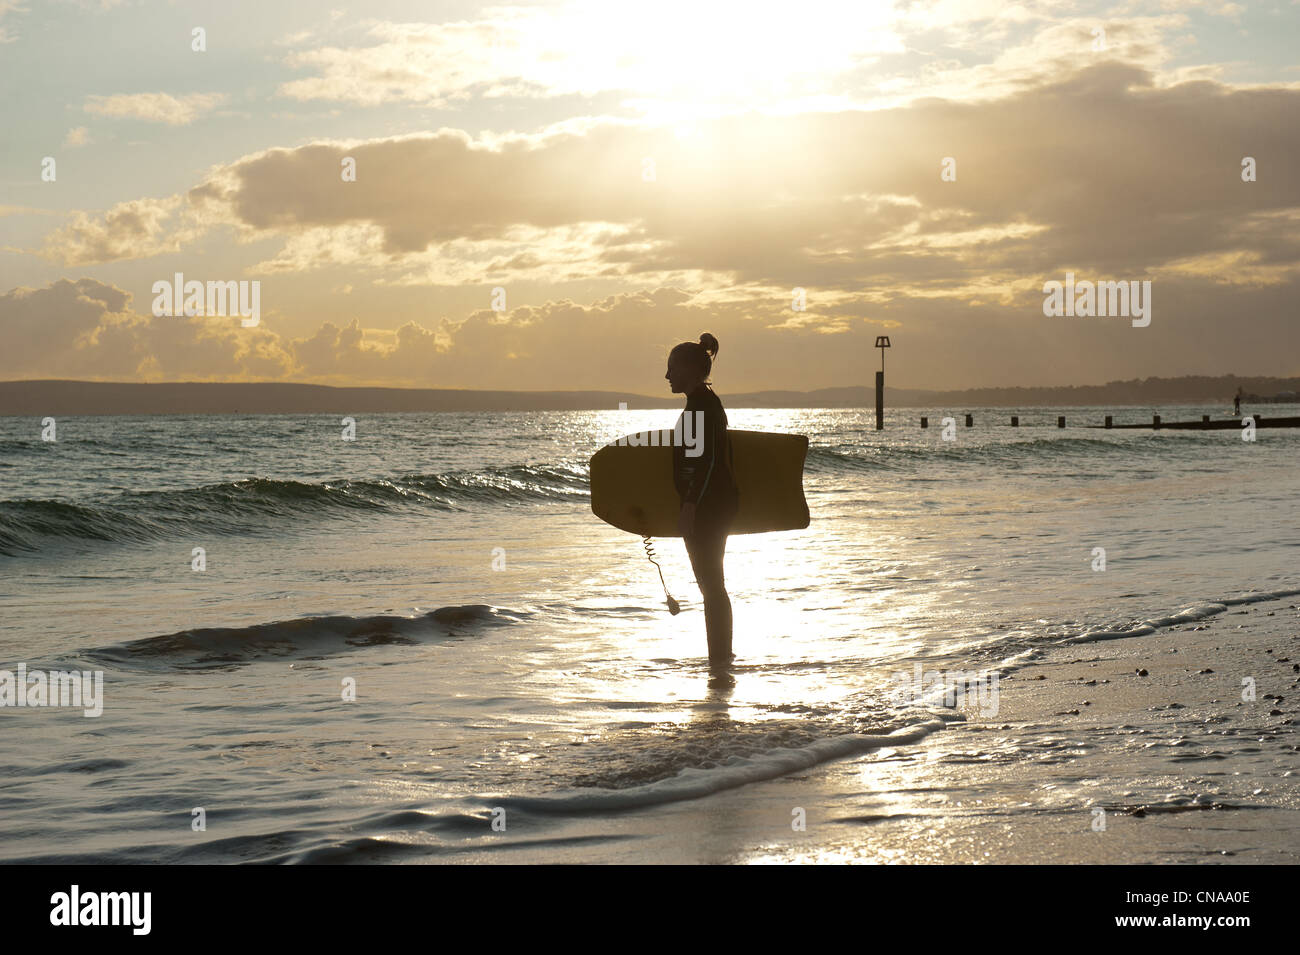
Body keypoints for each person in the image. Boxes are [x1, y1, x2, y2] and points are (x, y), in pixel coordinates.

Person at [665, 333, 739, 675]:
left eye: (672, 369)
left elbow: (704, 461)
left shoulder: (699, 407)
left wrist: (690, 505)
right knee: (713, 585)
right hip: (716, 504)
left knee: (711, 585)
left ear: (693, 372)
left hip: (708, 508)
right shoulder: (707, 401)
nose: (667, 377)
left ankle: (720, 661)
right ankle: (721, 659)